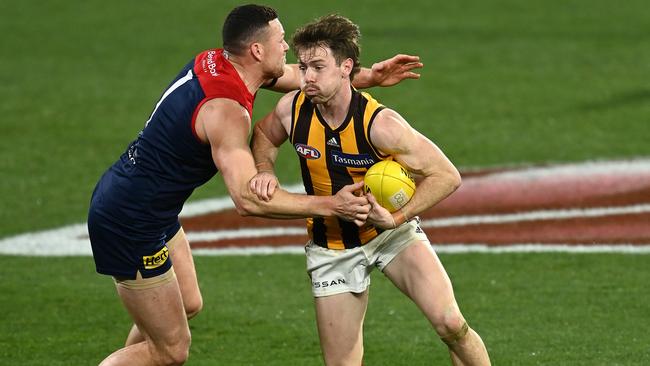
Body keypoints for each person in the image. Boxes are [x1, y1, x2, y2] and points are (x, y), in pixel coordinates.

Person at [87, 4, 423, 366]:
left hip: (149, 207)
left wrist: (368, 75)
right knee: (170, 350)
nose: (288, 49)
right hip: (129, 220)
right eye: (281, 40)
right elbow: (249, 201)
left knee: (187, 304)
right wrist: (330, 205)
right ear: (257, 51)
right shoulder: (227, 111)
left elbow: (293, 76)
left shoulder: (220, 62)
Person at [249, 14, 491, 366]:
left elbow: (446, 175)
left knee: (451, 324)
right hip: (332, 250)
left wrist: (395, 218)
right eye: (302, 67)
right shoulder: (293, 109)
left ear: (346, 67)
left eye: (317, 67)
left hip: (392, 236)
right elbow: (263, 137)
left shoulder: (381, 125)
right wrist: (263, 169)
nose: (306, 77)